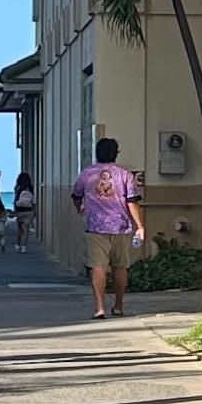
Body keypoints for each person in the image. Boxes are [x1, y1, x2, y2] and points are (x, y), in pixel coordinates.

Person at [73, 130, 147, 318]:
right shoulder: (125, 175)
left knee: (98, 266)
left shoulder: (87, 174)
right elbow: (132, 201)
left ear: (97, 153)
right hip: (121, 226)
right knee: (120, 266)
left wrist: (80, 208)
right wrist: (139, 225)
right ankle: (119, 305)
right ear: (116, 153)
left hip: (95, 226)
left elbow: (76, 195)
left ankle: (99, 307)